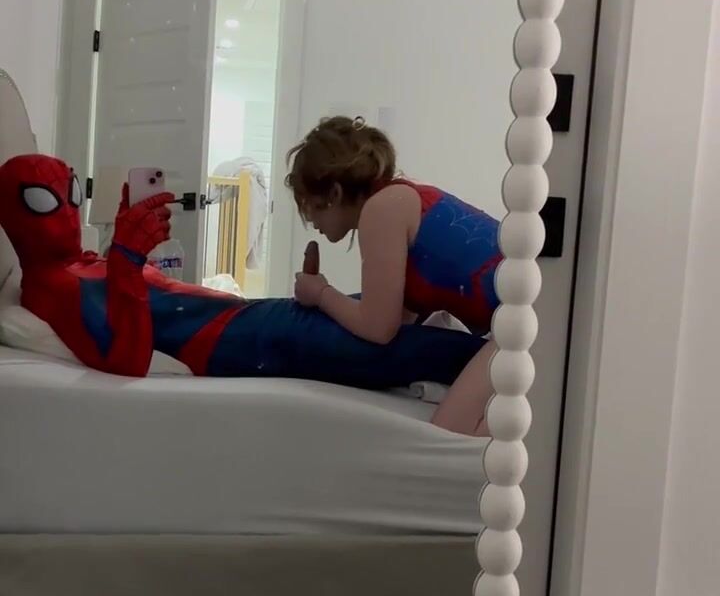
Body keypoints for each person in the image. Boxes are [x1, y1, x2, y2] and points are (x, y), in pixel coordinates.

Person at [0, 153, 487, 402]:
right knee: (425, 350)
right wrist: (126, 258)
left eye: (71, 193)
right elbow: (125, 360)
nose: (66, 211)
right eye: (44, 201)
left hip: (247, 322)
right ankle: (507, 364)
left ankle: (490, 349)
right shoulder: (49, 286)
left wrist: (124, 254)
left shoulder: (84, 262)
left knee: (377, 310)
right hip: (233, 342)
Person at [287, 116, 503, 435]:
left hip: (530, 319)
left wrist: (320, 294)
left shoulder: (383, 209)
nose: (309, 220)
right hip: (525, 316)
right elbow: (396, 318)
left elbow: (379, 328)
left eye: (310, 206)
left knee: (450, 432)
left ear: (334, 192)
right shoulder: (400, 199)